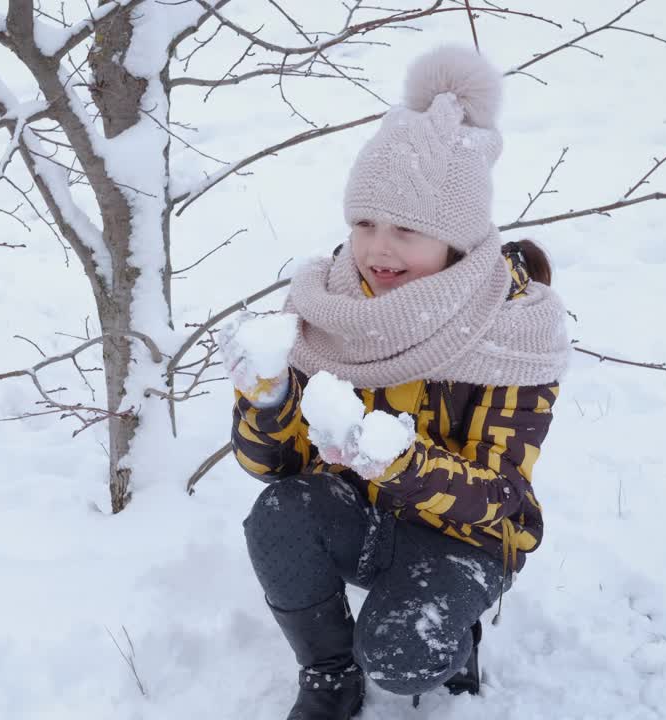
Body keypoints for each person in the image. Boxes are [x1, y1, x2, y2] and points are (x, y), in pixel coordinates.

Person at [219, 45, 570, 719]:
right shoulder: (327, 307)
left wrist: (402, 463)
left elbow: (501, 497)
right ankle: (327, 676)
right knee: (281, 513)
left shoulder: (513, 329)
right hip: (363, 515)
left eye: (409, 229)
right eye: (365, 223)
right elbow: (280, 469)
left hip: (464, 534)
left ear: (458, 240)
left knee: (401, 653)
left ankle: (452, 635)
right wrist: (265, 402)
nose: (379, 250)